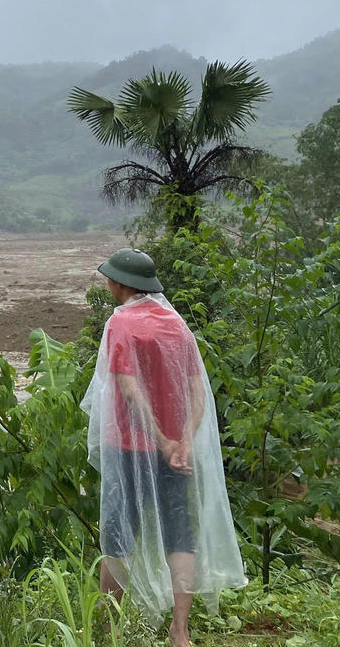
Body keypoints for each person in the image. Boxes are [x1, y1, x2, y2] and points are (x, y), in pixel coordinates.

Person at [80, 248, 245, 647]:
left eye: (110, 278)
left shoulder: (121, 324)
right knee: (179, 533)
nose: (108, 283)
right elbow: (196, 392)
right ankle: (180, 631)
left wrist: (160, 439)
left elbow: (127, 388)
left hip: (129, 446)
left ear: (121, 284)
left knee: (118, 535)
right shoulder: (177, 325)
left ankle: (109, 628)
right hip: (177, 454)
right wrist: (182, 443)